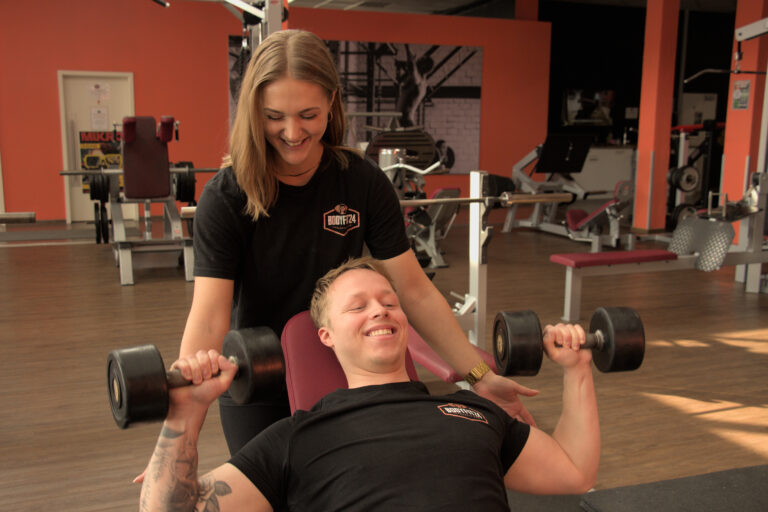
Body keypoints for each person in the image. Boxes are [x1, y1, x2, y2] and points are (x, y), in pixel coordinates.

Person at [181, 28, 536, 455]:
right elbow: (208, 320)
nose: (292, 132)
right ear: (254, 110)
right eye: (274, 116)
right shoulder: (227, 196)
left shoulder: (360, 180)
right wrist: (180, 437)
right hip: (259, 374)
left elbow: (415, 291)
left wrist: (479, 375)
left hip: (343, 366)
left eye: (308, 115)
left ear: (331, 102)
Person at [139, 257, 600, 511]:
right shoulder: (295, 438)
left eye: (388, 301)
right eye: (357, 306)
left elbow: (574, 471)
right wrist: (186, 413)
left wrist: (577, 369)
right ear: (325, 336)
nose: (380, 310)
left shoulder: (476, 413)